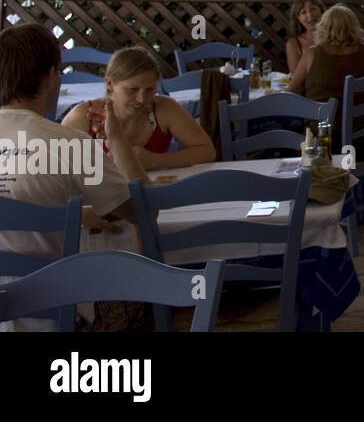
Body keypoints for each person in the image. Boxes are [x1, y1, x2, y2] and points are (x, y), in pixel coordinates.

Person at [0, 25, 145, 331]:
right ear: (51, 76)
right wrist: (117, 141)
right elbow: (144, 214)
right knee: (143, 295)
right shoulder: (69, 144)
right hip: (50, 314)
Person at [62, 47, 215, 170]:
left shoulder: (163, 108)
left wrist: (155, 160)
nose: (142, 99)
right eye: (133, 90)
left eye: (149, 90)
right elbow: (53, 166)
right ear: (110, 84)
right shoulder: (84, 116)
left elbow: (207, 151)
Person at [288, 4, 364, 159]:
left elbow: (291, 93)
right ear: (354, 26)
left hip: (326, 143)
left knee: (290, 134)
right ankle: (359, 181)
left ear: (324, 26)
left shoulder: (312, 54)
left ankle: (315, 180)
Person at [285, 0, 325, 73]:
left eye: (313, 9)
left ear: (321, 10)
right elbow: (295, 78)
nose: (310, 15)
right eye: (303, 12)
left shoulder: (335, 37)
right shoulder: (293, 44)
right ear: (298, 18)